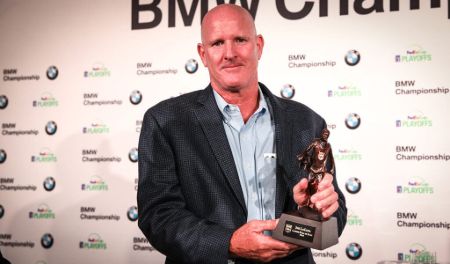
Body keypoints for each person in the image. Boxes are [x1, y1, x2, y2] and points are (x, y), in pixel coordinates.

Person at [137, 4, 346, 264]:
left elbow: (337, 215)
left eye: (240, 40)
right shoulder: (166, 121)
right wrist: (230, 243)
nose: (229, 53)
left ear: (258, 45)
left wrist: (315, 210)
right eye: (217, 43)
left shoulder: (306, 121)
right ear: (203, 54)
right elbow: (158, 215)